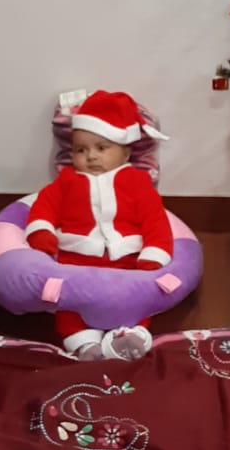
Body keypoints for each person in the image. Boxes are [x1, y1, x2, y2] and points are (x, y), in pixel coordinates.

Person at [25, 91, 173, 361]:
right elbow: (44, 205)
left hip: (126, 262)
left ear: (125, 152)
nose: (91, 157)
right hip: (76, 262)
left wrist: (154, 253)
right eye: (81, 150)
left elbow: (155, 220)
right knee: (69, 306)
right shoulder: (67, 181)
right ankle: (85, 345)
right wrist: (41, 230)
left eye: (102, 148)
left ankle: (129, 336)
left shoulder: (137, 182)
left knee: (136, 299)